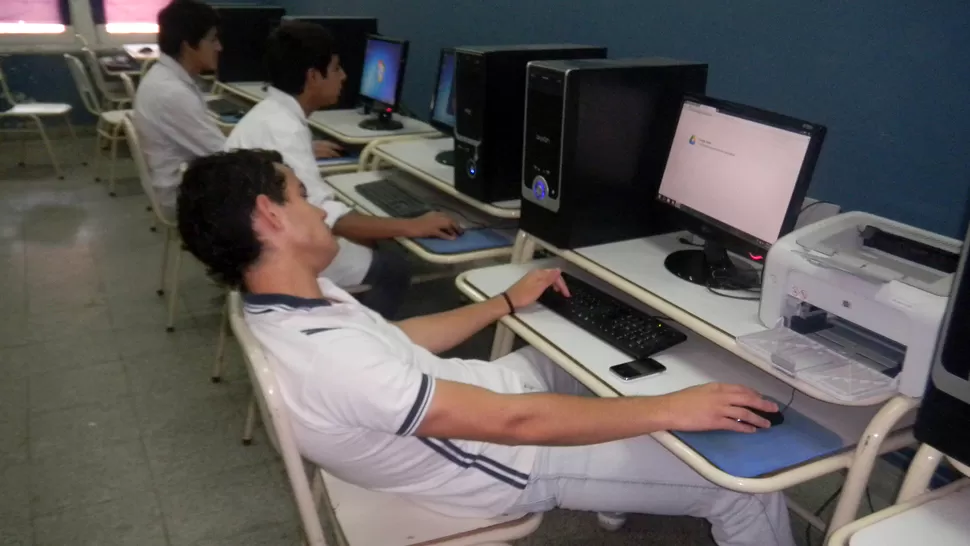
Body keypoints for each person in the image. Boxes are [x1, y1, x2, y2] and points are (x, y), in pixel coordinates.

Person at [177, 149, 797, 546]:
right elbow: (514, 423)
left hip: (485, 404)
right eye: (301, 195)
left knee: (577, 355)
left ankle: (623, 487)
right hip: (502, 463)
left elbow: (397, 342)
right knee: (740, 487)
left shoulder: (286, 306)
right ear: (271, 215)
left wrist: (504, 304)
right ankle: (642, 470)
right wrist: (671, 409)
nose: (318, 208)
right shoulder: (326, 361)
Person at [224, 21, 458, 319]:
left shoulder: (271, 115)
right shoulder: (286, 130)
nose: (344, 77)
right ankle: (366, 345)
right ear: (312, 76)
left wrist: (308, 149)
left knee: (372, 239)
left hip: (251, 240)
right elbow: (331, 218)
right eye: (336, 69)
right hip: (274, 252)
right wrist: (413, 225)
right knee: (394, 267)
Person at [134, 0, 225, 218]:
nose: (219, 47)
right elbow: (224, 155)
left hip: (182, 181)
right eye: (213, 39)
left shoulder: (167, 77)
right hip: (181, 197)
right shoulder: (171, 92)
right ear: (188, 46)